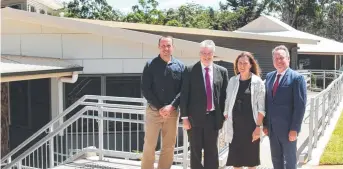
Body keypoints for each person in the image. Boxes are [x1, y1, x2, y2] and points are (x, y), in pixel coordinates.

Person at [180, 40, 228, 169]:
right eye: (203, 53)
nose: (206, 56)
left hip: (213, 118)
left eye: (209, 53)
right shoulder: (189, 70)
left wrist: (224, 116)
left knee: (212, 151)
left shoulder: (222, 71)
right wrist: (184, 118)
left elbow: (225, 96)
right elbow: (184, 95)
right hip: (194, 119)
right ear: (199, 53)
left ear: (214, 54)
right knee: (195, 151)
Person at [140, 36, 185, 169]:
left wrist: (172, 106)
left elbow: (183, 90)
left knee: (169, 146)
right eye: (163, 46)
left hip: (172, 112)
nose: (166, 48)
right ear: (159, 47)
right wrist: (160, 107)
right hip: (154, 111)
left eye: (168, 45)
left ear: (173, 47)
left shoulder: (180, 67)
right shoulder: (150, 65)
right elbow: (145, 89)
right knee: (149, 145)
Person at [263, 45, 307, 169]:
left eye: (281, 58)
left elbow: (300, 106)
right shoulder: (269, 77)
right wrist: (266, 124)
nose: (279, 61)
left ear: (288, 59)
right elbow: (267, 102)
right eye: (276, 58)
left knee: (290, 161)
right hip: (272, 129)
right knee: (276, 160)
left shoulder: (296, 78)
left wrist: (295, 129)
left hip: (288, 130)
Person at [224, 52, 266, 169]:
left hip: (251, 127)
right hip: (235, 128)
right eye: (240, 63)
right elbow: (227, 101)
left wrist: (258, 127)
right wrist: (226, 114)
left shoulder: (258, 82)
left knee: (251, 162)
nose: (242, 66)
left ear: (250, 65)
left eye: (245, 63)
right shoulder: (232, 81)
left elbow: (261, 109)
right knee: (236, 163)